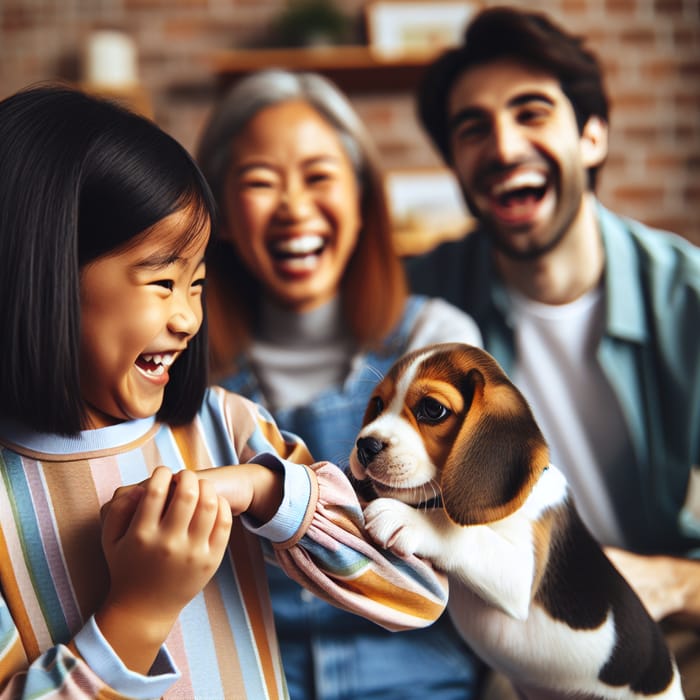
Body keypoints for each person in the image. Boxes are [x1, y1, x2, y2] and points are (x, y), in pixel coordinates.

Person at [0, 84, 453, 699]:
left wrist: (266, 490)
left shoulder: (227, 429)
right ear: (40, 271)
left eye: (198, 283)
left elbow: (417, 593)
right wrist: (138, 611)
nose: (188, 318)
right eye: (162, 281)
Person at [406, 6, 700, 697]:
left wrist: (671, 580)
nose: (503, 146)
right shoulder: (422, 305)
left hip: (664, 626)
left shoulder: (688, 301)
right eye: (472, 128)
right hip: (501, 643)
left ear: (592, 135)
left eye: (531, 112)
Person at [197, 69, 484, 700]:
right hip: (252, 680)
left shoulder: (435, 340)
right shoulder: (182, 363)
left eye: (319, 176)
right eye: (260, 182)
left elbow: (472, 537)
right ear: (216, 212)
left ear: (361, 195)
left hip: (418, 677)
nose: (294, 207)